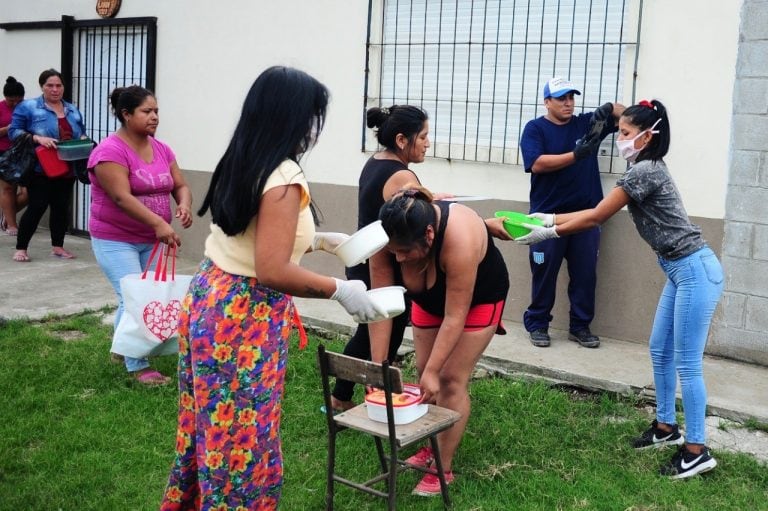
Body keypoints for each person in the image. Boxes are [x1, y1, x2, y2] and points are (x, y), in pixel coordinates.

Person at [160, 66, 386, 510]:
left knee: (207, 426)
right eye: (311, 116)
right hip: (243, 318)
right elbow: (272, 270)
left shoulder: (245, 157)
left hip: (212, 298)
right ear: (291, 116)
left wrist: (319, 241)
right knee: (242, 439)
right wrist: (340, 290)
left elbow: (250, 235)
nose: (313, 128)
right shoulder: (282, 177)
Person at [516, 99, 723, 479]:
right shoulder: (643, 168)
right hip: (680, 270)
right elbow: (592, 211)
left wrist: (545, 227)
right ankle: (665, 427)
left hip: (695, 270)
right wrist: (542, 217)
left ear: (647, 137)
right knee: (660, 350)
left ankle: (696, 450)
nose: (621, 139)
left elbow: (596, 215)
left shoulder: (644, 172)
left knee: (687, 364)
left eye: (625, 134)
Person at [329, 105, 511, 413]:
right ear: (402, 140)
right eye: (423, 136)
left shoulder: (376, 163)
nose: (428, 143)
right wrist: (379, 368)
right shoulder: (401, 184)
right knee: (382, 328)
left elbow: (456, 312)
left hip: (388, 253)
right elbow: (425, 210)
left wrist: (477, 224)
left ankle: (348, 394)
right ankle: (348, 392)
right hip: (381, 256)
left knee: (444, 374)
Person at [378, 185, 510, 496]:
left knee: (449, 378)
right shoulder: (389, 234)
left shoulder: (459, 239)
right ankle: (431, 446)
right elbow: (380, 304)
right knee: (424, 370)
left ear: (429, 235)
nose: (397, 258)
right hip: (428, 299)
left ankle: (442, 467)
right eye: (392, 251)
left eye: (405, 252)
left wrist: (436, 370)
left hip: (478, 300)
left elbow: (455, 315)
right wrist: (378, 364)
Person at [87, 85, 193, 386]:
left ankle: (122, 347)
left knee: (145, 296)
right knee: (134, 299)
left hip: (152, 240)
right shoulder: (109, 152)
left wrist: (183, 204)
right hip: (115, 238)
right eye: (147, 111)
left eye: (156, 110)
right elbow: (121, 197)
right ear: (126, 114)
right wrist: (159, 224)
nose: (155, 117)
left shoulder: (162, 149)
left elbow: (180, 185)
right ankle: (138, 365)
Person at [519, 76, 624, 348]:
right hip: (546, 217)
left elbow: (630, 117)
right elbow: (537, 163)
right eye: (561, 98)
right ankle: (538, 324)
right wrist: (576, 155)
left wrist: (610, 108)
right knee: (544, 273)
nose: (568, 103)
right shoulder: (535, 129)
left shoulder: (585, 124)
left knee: (585, 274)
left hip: (585, 216)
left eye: (571, 97)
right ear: (547, 102)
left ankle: (580, 327)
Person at [8, 69, 86, 262]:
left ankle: (58, 247)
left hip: (68, 168)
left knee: (60, 207)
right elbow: (13, 131)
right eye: (50, 85)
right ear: (42, 86)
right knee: (37, 206)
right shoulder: (29, 107)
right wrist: (37, 138)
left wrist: (84, 140)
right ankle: (21, 248)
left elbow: (80, 132)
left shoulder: (72, 109)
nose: (54, 89)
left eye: (58, 85)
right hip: (40, 167)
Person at [0, 76, 28, 235]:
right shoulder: (1, 108)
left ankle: (6, 216)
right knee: (8, 189)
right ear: (5, 98)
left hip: (25, 152)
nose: (15, 104)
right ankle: (12, 225)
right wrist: (9, 128)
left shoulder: (28, 108)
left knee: (28, 193)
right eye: (11, 101)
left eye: (19, 100)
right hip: (4, 153)